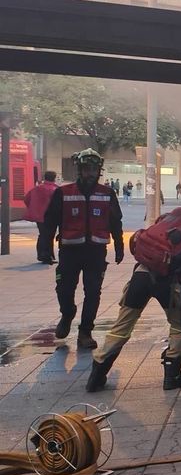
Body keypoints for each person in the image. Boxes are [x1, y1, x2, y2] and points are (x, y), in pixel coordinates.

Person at [87, 251, 181, 392]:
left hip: (140, 277)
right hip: (169, 284)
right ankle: (172, 377)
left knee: (121, 328)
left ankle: (97, 373)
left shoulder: (164, 236)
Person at [44, 149, 123, 350]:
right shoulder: (63, 193)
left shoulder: (107, 194)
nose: (90, 173)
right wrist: (45, 246)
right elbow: (50, 220)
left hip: (96, 253)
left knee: (93, 292)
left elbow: (115, 222)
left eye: (94, 169)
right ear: (79, 170)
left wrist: (119, 245)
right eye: (86, 169)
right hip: (70, 251)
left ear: (99, 171)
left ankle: (85, 331)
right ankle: (67, 313)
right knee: (64, 289)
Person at [24, 171, 60, 264]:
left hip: (39, 216)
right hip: (51, 216)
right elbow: (57, 204)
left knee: (43, 235)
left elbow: (27, 199)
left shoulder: (37, 188)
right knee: (49, 236)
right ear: (54, 178)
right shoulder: (55, 189)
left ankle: (42, 255)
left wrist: (34, 209)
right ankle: (48, 256)